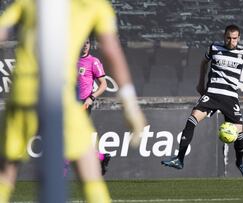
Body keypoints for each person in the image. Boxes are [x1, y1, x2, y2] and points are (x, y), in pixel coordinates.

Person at [0, 0, 146, 202]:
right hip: (59, 97)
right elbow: (112, 50)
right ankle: (92, 160)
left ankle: (80, 161)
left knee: (6, 174)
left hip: (21, 93)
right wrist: (130, 106)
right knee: (89, 173)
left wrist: (91, 97)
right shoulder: (95, 5)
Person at [161, 24, 243, 181]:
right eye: (228, 38)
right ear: (224, 36)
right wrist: (200, 83)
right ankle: (179, 159)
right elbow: (203, 62)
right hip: (212, 94)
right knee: (192, 119)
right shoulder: (214, 48)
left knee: (239, 134)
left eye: (234, 38)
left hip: (230, 98)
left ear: (239, 38)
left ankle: (240, 163)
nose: (231, 41)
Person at [75, 38, 110, 176]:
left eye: (87, 43)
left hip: (84, 103)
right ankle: (101, 157)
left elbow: (103, 84)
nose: (84, 45)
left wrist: (91, 98)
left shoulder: (93, 62)